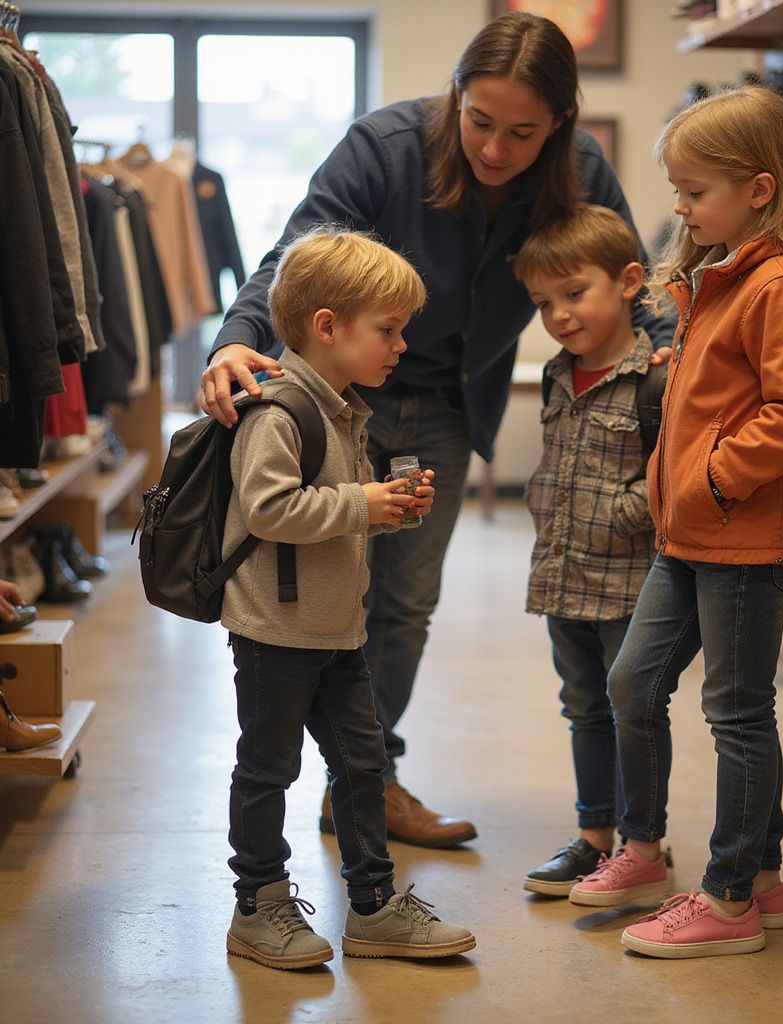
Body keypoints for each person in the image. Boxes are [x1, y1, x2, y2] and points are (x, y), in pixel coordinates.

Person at [200, 11, 674, 848]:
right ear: (455, 95)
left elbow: (628, 279)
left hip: (451, 411)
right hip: (348, 405)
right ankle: (335, 776)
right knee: (331, 596)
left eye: (523, 132)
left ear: (559, 122)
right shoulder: (383, 148)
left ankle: (367, 783)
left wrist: (677, 354)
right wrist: (237, 336)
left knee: (406, 607)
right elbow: (295, 253)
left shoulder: (582, 169)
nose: (495, 149)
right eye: (480, 121)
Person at [567, 87, 783, 959]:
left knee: (737, 713)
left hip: (740, 534)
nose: (680, 206)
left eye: (695, 190)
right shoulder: (725, 272)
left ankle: (732, 893)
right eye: (678, 188)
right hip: (692, 531)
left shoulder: (782, 285)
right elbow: (738, 390)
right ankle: (746, 873)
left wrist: (710, 476)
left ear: (762, 188)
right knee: (633, 682)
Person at [222, 227, 475, 970]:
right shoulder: (278, 412)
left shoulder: (341, 408)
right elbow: (269, 510)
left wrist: (387, 504)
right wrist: (362, 502)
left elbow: (335, 511)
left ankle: (373, 907)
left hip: (337, 630)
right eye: (388, 331)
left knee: (363, 768)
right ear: (327, 328)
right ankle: (258, 905)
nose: (400, 346)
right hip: (275, 632)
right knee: (269, 770)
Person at [511, 205, 661, 895]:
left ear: (629, 281)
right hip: (562, 575)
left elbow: (668, 480)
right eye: (545, 303)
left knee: (633, 710)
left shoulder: (657, 379)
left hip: (628, 583)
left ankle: (642, 844)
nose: (560, 315)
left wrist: (620, 515)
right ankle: (594, 837)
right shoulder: (555, 374)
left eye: (575, 293)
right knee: (583, 708)